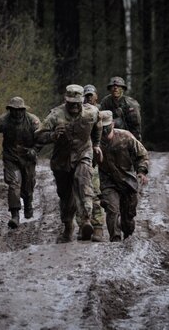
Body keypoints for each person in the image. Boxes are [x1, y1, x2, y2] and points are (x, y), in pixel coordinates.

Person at [35, 84, 103, 243]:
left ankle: (86, 221)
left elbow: (98, 125)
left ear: (82, 101)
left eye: (77, 103)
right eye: (70, 103)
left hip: (83, 153)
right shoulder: (55, 115)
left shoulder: (91, 112)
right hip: (62, 160)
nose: (73, 106)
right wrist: (52, 136)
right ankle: (67, 226)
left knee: (83, 181)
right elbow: (37, 136)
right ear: (66, 101)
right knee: (65, 196)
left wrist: (97, 144)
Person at [0, 96, 41, 229]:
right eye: (13, 110)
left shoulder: (33, 121)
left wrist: (35, 150)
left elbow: (42, 137)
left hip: (28, 158)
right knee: (14, 184)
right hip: (11, 157)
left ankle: (28, 203)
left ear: (24, 110)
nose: (17, 113)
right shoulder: (3, 120)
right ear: (10, 110)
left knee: (29, 183)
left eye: (20, 110)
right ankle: (15, 215)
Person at [98, 110, 149, 242]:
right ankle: (114, 240)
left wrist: (142, 171)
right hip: (108, 182)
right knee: (112, 209)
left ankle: (127, 236)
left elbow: (142, 154)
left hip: (127, 182)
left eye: (106, 127)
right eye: (101, 127)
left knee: (128, 218)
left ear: (113, 124)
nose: (104, 131)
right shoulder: (94, 141)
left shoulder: (125, 137)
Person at [74, 84, 105, 242]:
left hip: (95, 160)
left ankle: (98, 227)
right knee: (78, 193)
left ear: (96, 96)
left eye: (90, 95)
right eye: (85, 95)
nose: (88, 98)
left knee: (94, 192)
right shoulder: (78, 113)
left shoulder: (99, 113)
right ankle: (82, 226)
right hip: (79, 158)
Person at [100, 76, 142, 141]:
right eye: (113, 87)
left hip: (127, 135)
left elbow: (136, 126)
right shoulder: (105, 101)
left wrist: (135, 140)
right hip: (109, 134)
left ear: (123, 89)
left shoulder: (131, 104)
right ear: (110, 89)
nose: (115, 88)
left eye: (118, 86)